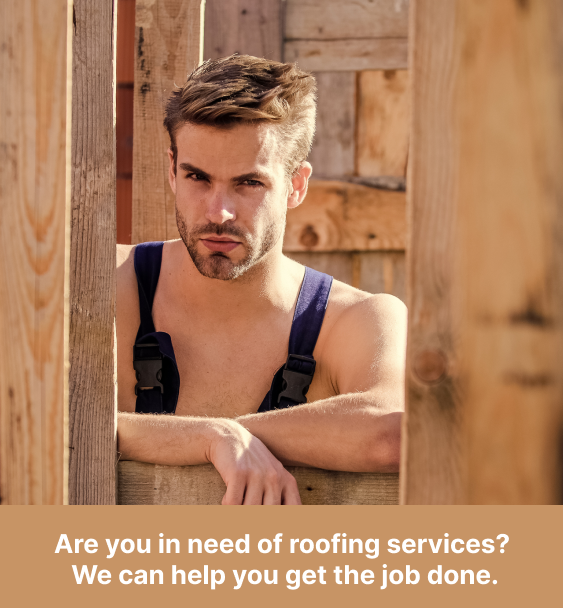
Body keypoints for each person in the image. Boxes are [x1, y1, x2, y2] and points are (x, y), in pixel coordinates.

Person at [116, 55, 407, 505]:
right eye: (197, 177)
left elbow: (389, 430)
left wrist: (231, 435)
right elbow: (40, 416)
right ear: (172, 170)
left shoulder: (352, 318)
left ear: (296, 185)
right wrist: (211, 438)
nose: (218, 212)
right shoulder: (108, 285)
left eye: (249, 183)